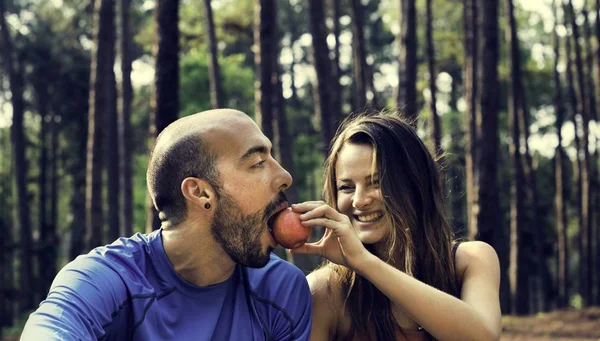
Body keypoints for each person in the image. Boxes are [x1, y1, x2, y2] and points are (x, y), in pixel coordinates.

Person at [21, 109, 312, 340]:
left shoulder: (281, 290)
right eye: (257, 163)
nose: (285, 176)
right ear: (200, 193)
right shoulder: (105, 279)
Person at [291, 112, 501, 341]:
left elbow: (483, 337)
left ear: (415, 184)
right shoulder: (325, 291)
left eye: (377, 182)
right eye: (346, 187)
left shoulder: (471, 261)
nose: (359, 200)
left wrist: (364, 262)